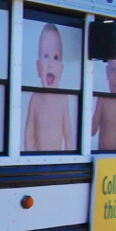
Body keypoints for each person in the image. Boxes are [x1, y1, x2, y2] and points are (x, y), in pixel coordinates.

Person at [24, 23, 75, 151]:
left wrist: (68, 160)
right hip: (38, 161)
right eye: (46, 56)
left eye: (56, 57)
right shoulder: (35, 98)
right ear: (38, 67)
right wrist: (31, 158)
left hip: (57, 160)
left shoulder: (63, 99)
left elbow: (68, 135)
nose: (50, 63)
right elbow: (28, 135)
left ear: (61, 69)